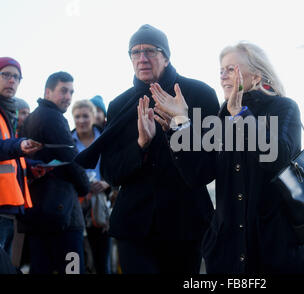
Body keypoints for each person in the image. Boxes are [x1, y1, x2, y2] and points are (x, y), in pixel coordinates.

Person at [149, 42, 304, 273]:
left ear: (257, 75)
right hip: (228, 255)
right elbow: (198, 174)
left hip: (277, 251)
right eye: (221, 70)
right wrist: (180, 124)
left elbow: (277, 158)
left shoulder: (284, 108)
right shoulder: (221, 117)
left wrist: (241, 115)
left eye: (231, 69)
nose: (223, 76)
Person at [75, 24, 220, 274]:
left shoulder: (200, 94)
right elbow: (111, 173)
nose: (141, 58)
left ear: (166, 56)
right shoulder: (119, 104)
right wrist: (141, 144)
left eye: (150, 51)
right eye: (135, 52)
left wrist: (180, 127)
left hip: (186, 225)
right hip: (134, 228)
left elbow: (206, 170)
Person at [18, 71, 90, 274]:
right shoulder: (54, 117)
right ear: (48, 92)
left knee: (41, 268)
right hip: (62, 213)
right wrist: (85, 186)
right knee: (73, 270)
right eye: (63, 91)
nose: (68, 96)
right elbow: (71, 158)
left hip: (37, 212)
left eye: (71, 92)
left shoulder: (32, 118)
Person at [0, 57, 42, 257]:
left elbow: (9, 158)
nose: (12, 81)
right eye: (6, 75)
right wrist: (19, 145)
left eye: (16, 77)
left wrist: (32, 166)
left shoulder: (7, 113)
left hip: (7, 205)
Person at [71, 99, 112, 274]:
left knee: (102, 258)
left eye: (85, 116)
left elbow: (117, 165)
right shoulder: (68, 140)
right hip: (77, 204)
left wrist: (107, 182)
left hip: (101, 204)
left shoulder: (106, 138)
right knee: (77, 258)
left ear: (93, 117)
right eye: (77, 116)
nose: (81, 120)